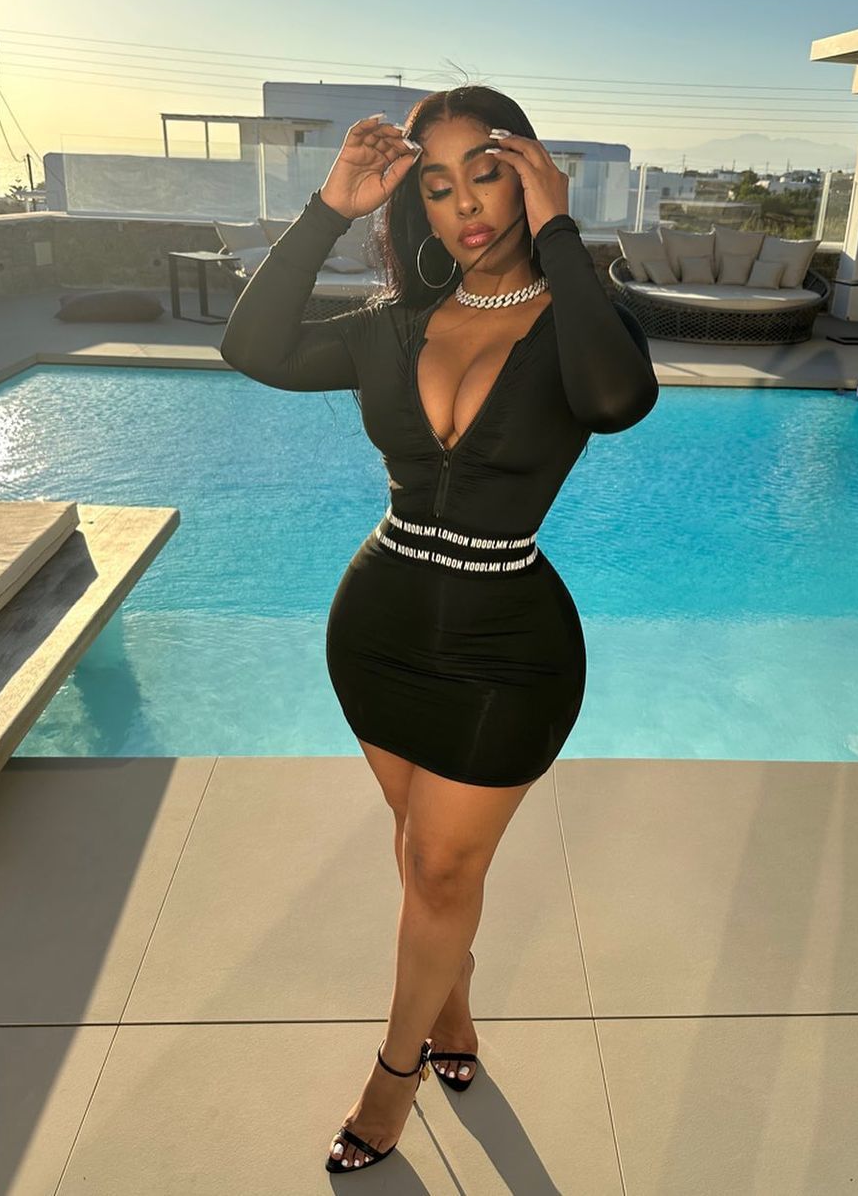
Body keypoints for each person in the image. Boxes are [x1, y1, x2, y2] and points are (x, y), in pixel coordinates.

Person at [219, 85, 659, 1175]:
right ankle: (452, 1016)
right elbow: (253, 347)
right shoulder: (392, 326)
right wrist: (328, 209)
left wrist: (562, 231)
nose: (464, 204)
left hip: (509, 653)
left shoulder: (581, 325)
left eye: (488, 174)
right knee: (424, 858)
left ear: (530, 175)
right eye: (437, 185)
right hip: (377, 628)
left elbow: (616, 402)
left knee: (443, 870)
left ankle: (393, 1076)